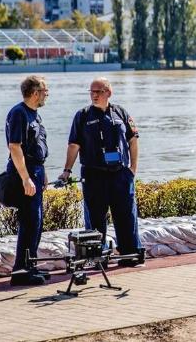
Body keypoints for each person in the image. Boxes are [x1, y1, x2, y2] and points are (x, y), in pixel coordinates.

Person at [58, 77, 143, 266]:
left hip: (120, 174)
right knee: (95, 219)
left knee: (126, 215)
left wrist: (133, 169)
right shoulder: (82, 115)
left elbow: (133, 140)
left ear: (108, 93)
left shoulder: (120, 112)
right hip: (94, 174)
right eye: (91, 92)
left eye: (98, 91)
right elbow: (74, 145)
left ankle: (129, 254)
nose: (94, 95)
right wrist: (66, 170)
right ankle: (97, 258)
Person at [5, 75, 50, 286]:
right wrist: (26, 178)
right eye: (45, 91)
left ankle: (30, 265)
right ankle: (21, 271)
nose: (46, 95)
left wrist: (43, 173)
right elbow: (15, 147)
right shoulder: (19, 113)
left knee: (37, 222)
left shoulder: (35, 115)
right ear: (35, 93)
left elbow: (37, 145)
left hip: (36, 172)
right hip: (24, 173)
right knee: (29, 222)